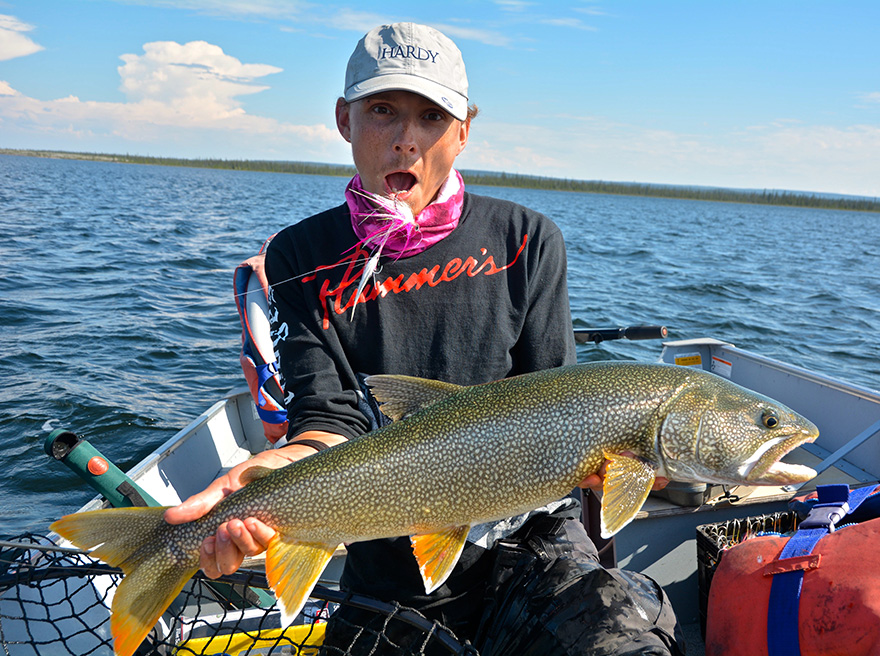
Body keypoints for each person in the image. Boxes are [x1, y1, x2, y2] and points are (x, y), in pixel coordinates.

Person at [166, 22, 683, 656]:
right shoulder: (300, 257)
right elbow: (329, 420)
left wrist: (619, 469)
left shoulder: (527, 239)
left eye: (431, 116)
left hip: (535, 546)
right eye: (382, 110)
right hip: (380, 550)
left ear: (463, 128)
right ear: (344, 119)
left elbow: (559, 399)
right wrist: (264, 475)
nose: (406, 140)